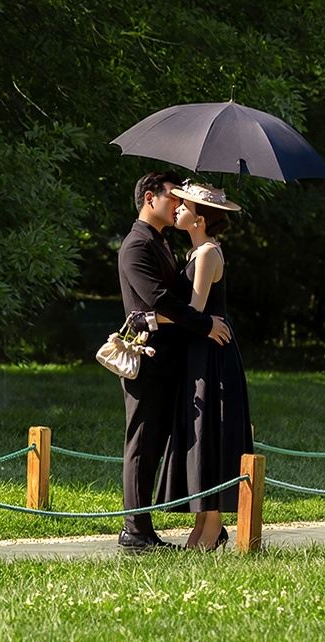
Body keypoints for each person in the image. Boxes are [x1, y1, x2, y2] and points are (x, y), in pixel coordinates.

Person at [116, 172, 232, 552]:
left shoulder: (162, 243)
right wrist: (204, 323)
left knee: (157, 442)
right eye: (172, 197)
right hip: (148, 359)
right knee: (142, 441)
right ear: (150, 198)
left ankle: (150, 528)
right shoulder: (137, 245)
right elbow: (158, 300)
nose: (177, 204)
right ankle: (134, 530)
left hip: (171, 359)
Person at [156, 182, 255, 551]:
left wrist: (149, 318)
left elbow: (195, 312)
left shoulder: (208, 253)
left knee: (211, 428)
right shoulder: (196, 252)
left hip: (213, 357)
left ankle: (212, 527)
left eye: (184, 206)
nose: (177, 209)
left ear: (199, 218)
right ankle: (204, 523)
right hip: (199, 353)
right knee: (201, 429)